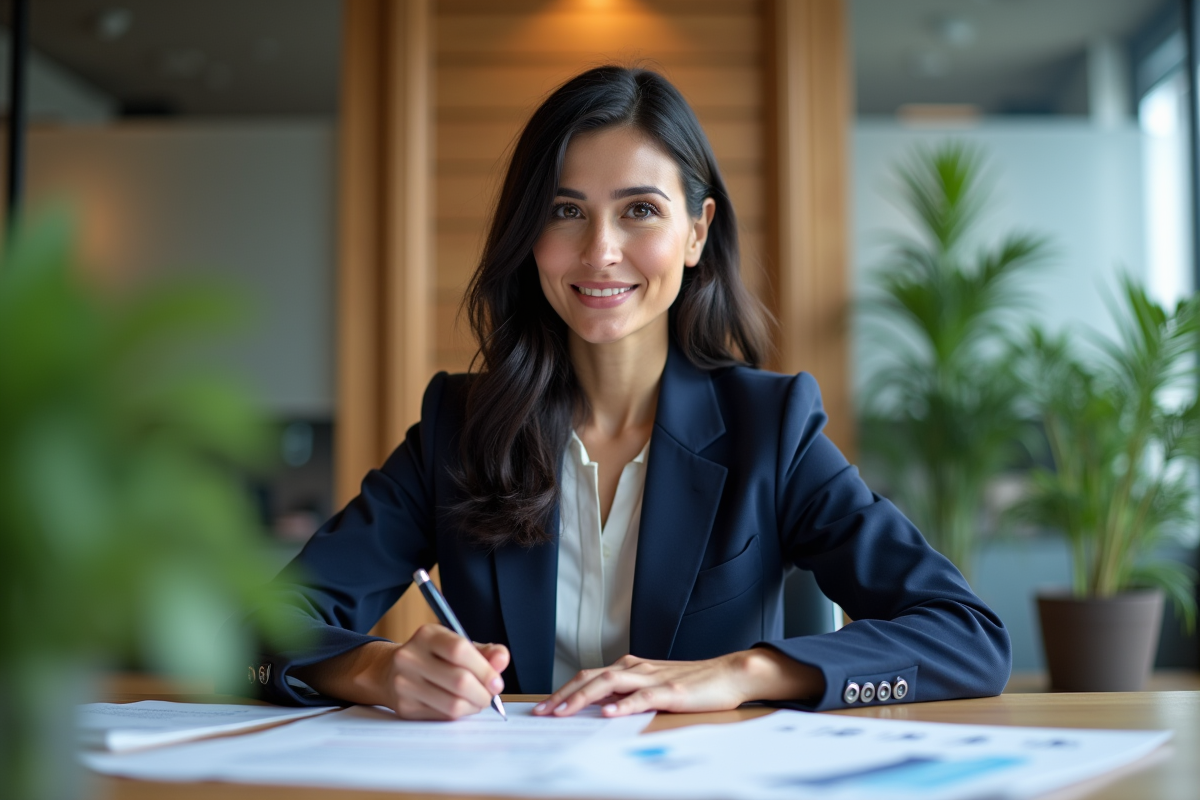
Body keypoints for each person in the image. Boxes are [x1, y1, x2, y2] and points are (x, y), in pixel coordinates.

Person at [229, 66, 1010, 721]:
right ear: (528, 237)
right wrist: (371, 670)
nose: (600, 252)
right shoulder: (458, 429)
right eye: (565, 212)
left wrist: (743, 674)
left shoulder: (770, 428)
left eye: (640, 210)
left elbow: (967, 635)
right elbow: (257, 633)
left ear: (698, 233)